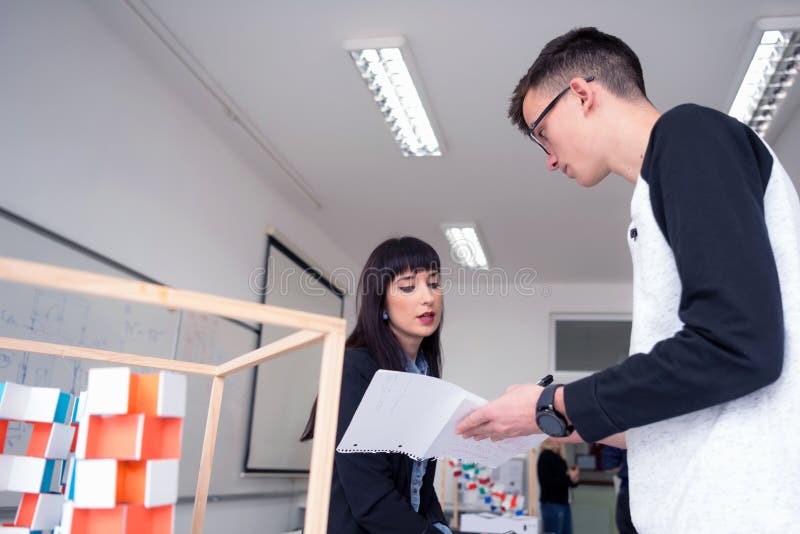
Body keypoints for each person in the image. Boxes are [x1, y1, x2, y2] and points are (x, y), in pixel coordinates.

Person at [456, 27, 800, 532]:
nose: (549, 160)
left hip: (736, 512)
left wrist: (553, 404)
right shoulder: (654, 192)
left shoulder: (689, 136)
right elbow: (685, 401)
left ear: (581, 94)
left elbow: (737, 343)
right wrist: (543, 418)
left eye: (542, 133)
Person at [301, 236, 452, 533]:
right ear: (380, 302)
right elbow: (369, 497)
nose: (428, 297)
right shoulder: (354, 367)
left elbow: (418, 485)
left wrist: (439, 525)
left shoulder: (425, 377)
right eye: (408, 286)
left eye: (434, 283)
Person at [537, 439, 579, 534]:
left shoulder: (560, 458)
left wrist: (574, 479)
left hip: (563, 503)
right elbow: (547, 481)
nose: (559, 440)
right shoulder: (545, 456)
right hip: (552, 504)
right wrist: (569, 478)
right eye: (555, 438)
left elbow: (566, 482)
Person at [600, 446, 636, 534]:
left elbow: (609, 465)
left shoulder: (625, 432)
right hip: (664, 488)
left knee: (627, 528)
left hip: (630, 486)